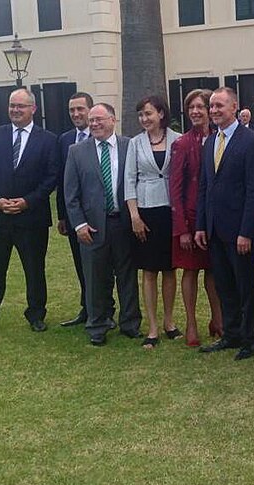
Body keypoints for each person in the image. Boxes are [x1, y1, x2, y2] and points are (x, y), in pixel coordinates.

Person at [0, 88, 58, 338]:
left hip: (31, 220)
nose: (15, 110)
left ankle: (36, 315)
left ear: (33, 109)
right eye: (12, 106)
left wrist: (27, 202)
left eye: (21, 106)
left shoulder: (48, 140)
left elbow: (51, 177)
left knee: (34, 270)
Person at [195, 87, 254, 361]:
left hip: (239, 231)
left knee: (246, 285)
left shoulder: (252, 141)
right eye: (211, 106)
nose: (214, 111)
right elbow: (204, 187)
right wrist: (201, 224)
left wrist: (247, 231)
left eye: (219, 106)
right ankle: (232, 333)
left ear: (234, 107)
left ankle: (250, 338)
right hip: (214, 229)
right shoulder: (210, 142)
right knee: (224, 285)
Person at [64, 103, 143, 346]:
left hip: (123, 223)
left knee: (127, 276)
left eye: (99, 119)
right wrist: (79, 225)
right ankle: (97, 325)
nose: (94, 124)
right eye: (91, 120)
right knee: (94, 278)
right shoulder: (77, 152)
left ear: (113, 119)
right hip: (92, 227)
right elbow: (71, 194)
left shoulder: (129, 146)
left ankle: (130, 323)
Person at [125, 95, 181, 349]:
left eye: (148, 114)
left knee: (169, 269)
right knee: (149, 271)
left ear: (161, 113)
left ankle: (169, 322)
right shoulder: (135, 144)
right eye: (141, 115)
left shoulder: (177, 139)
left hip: (170, 211)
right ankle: (152, 327)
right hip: (145, 212)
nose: (144, 119)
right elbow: (128, 180)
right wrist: (135, 216)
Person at [55, 92, 116, 328]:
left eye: (80, 109)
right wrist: (63, 216)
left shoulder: (105, 138)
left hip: (104, 216)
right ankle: (88, 308)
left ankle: (106, 311)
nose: (76, 114)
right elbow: (63, 182)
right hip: (75, 218)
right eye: (72, 110)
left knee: (105, 268)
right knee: (83, 267)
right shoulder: (64, 140)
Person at [169, 89, 223, 347]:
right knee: (190, 272)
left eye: (201, 106)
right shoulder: (181, 144)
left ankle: (218, 319)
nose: (196, 111)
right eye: (191, 107)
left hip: (216, 219)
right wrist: (182, 229)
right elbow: (175, 188)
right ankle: (191, 323)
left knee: (214, 271)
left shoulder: (221, 139)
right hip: (190, 220)